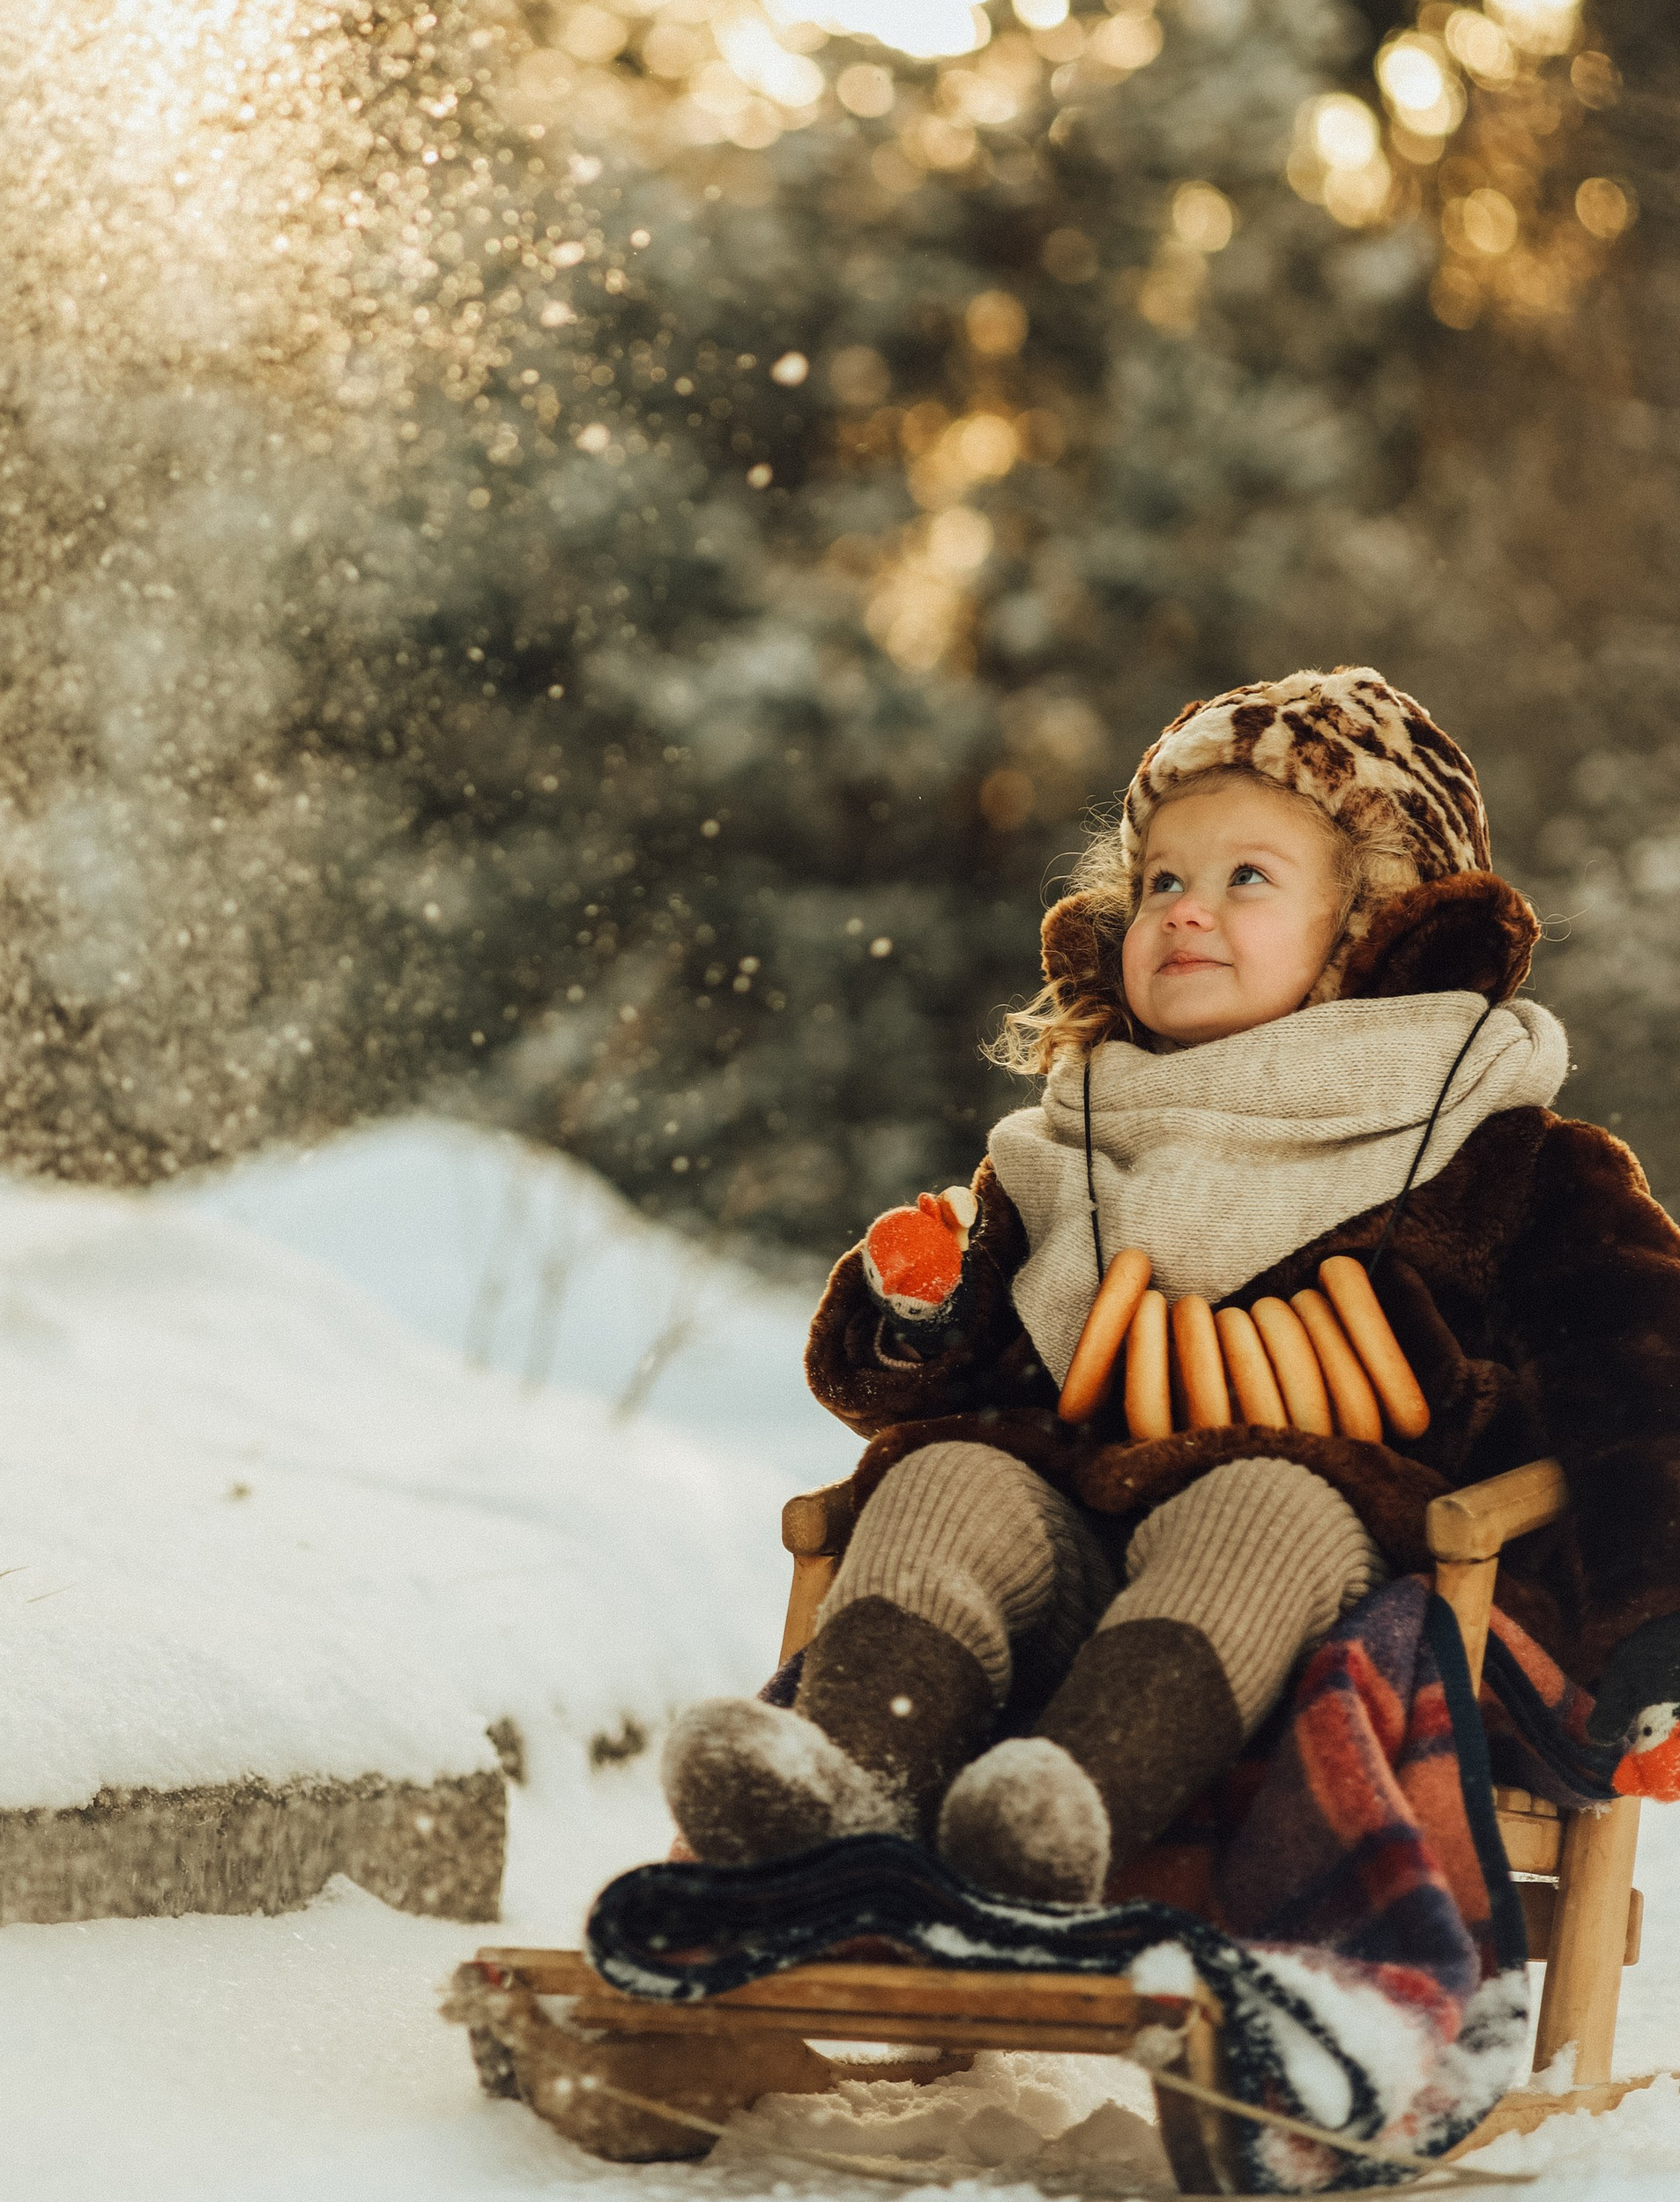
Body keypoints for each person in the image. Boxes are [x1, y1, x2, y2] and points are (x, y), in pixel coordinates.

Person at [663, 666, 1680, 1904]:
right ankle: (849, 1788)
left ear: (1380, 933)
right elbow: (947, 1386)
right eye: (1161, 882)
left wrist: (1656, 1636)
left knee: (1261, 1498)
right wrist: (925, 1308)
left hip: (1361, 1598)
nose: (1186, 911)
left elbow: (1645, 1391)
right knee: (945, 1476)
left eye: (1247, 878)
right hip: (1076, 1575)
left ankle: (1062, 1814)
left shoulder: (1504, 1155)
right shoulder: (1069, 1145)